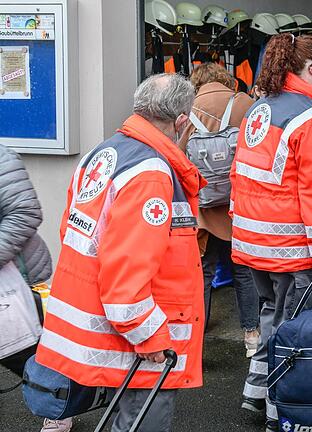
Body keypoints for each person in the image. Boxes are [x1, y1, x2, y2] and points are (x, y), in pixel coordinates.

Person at [35, 73, 205, 432]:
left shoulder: (103, 153)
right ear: (181, 121)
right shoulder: (152, 174)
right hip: (135, 332)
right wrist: (148, 335)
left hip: (97, 321)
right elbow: (126, 276)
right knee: (141, 419)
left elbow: (71, 230)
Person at [233, 34, 312, 431]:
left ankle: (256, 390)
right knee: (292, 331)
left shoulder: (260, 110)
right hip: (293, 249)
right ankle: (282, 410)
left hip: (254, 244)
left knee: (271, 316)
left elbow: (240, 176)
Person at [179, 62, 260, 357]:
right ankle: (252, 336)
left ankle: (195, 343)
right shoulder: (245, 103)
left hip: (204, 206)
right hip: (240, 204)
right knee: (244, 271)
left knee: (204, 273)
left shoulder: (187, 108)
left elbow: (178, 155)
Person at [0, 144, 59, 432]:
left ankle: (59, 406)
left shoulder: (1, 158)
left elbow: (25, 213)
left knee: (29, 355)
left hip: (17, 280)